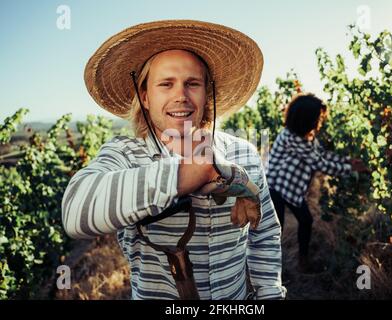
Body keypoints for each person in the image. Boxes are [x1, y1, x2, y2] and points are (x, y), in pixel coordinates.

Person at [62, 20, 286, 300]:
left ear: (207, 93)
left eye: (192, 84)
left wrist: (270, 294)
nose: (180, 96)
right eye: (166, 84)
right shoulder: (126, 154)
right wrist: (185, 175)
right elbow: (74, 214)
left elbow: (264, 235)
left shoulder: (243, 153)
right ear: (145, 96)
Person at [266, 93, 368, 273]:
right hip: (276, 187)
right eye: (316, 119)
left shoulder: (307, 137)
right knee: (277, 228)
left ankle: (302, 262)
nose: (318, 122)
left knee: (306, 220)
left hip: (291, 188)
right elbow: (320, 163)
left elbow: (322, 155)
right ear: (305, 119)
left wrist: (348, 161)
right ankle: (269, 268)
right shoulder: (291, 138)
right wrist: (351, 170)